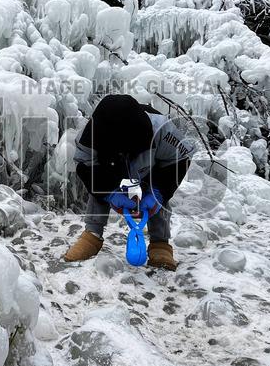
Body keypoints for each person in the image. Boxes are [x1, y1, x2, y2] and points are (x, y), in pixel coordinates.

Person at [64, 94, 195, 270]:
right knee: (98, 189)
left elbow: (179, 160)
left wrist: (159, 192)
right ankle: (92, 235)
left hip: (149, 165)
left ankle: (160, 244)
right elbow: (85, 165)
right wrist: (109, 193)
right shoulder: (91, 133)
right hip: (110, 165)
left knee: (156, 194)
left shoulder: (162, 130)